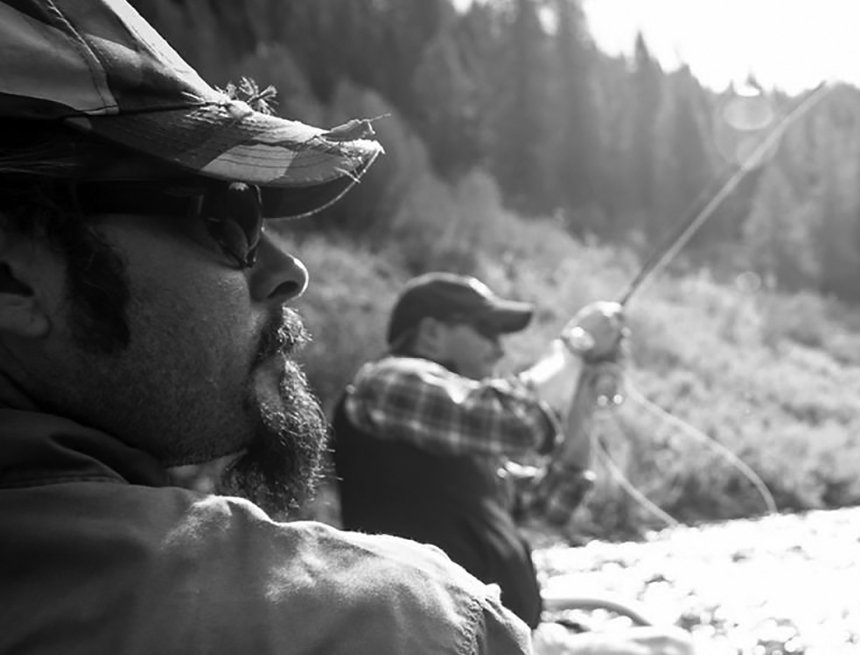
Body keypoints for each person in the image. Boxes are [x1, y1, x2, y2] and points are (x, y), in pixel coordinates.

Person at [0, 1, 532, 653]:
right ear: (12, 274)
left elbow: (544, 496)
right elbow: (515, 422)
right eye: (228, 217)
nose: (290, 271)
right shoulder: (418, 622)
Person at [333, 274, 694, 655]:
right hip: (445, 643)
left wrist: (584, 397)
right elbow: (516, 421)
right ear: (431, 335)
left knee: (675, 644)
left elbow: (553, 501)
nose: (498, 350)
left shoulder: (457, 440)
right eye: (487, 331)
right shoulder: (388, 383)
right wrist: (576, 346)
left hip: (511, 638)